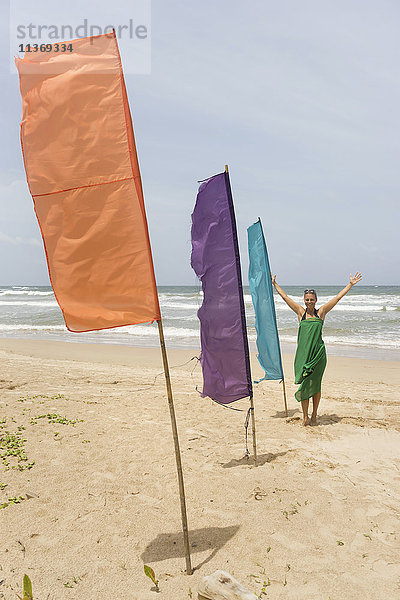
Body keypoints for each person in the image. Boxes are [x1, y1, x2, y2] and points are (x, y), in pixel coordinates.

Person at [271, 273, 363, 425]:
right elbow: (285, 298)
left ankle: (314, 415)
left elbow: (337, 298)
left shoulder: (321, 313)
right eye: (307, 300)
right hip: (304, 355)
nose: (309, 302)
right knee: (305, 384)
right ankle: (305, 416)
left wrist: (350, 285)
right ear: (304, 300)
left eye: (311, 300)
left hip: (318, 355)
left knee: (316, 384)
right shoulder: (301, 313)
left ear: (316, 300)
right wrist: (275, 284)